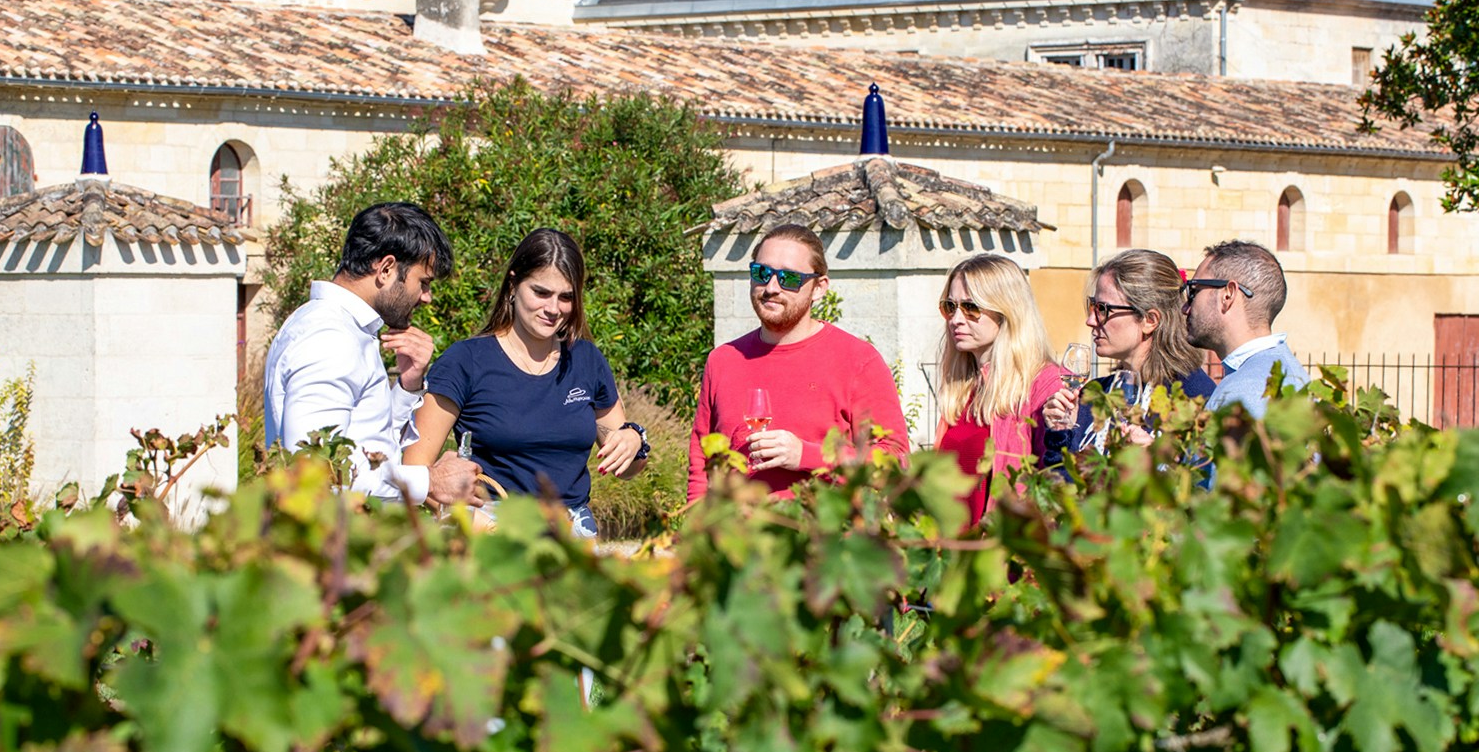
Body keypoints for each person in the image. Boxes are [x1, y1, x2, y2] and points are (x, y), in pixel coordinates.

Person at [405, 228, 648, 539]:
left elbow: (626, 468)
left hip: (572, 536)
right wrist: (474, 523)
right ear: (513, 284)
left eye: (566, 297)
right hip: (493, 536)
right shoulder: (465, 361)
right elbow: (416, 473)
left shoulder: (586, 359)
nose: (553, 309)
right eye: (541, 293)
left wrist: (634, 441)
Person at [264, 202, 480, 505]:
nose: (427, 298)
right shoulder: (329, 338)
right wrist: (430, 481)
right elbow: (313, 473)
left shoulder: (342, 329)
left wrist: (407, 387)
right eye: (423, 283)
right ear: (387, 269)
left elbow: (363, 445)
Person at [687, 223, 910, 501]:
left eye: (789, 278)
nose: (771, 287)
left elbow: (895, 462)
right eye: (762, 273)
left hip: (823, 540)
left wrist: (806, 455)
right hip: (737, 540)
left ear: (819, 288)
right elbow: (701, 465)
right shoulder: (723, 360)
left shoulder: (858, 361)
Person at [1041, 249, 1216, 465]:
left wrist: (1160, 464)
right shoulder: (1092, 397)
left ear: (1149, 320)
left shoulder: (1195, 398)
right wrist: (1062, 434)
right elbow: (1061, 489)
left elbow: (1205, 490)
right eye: (1092, 306)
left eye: (1103, 309)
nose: (1090, 320)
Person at [933, 253, 1065, 525]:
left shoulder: (1044, 384)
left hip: (1004, 553)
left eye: (970, 307)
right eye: (950, 306)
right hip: (952, 553)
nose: (956, 319)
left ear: (1007, 312)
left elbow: (1055, 480)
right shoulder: (963, 386)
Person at [1183, 239, 1308, 418]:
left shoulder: (1245, 393)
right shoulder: (1279, 372)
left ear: (1228, 295)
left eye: (1193, 291)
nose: (1185, 308)